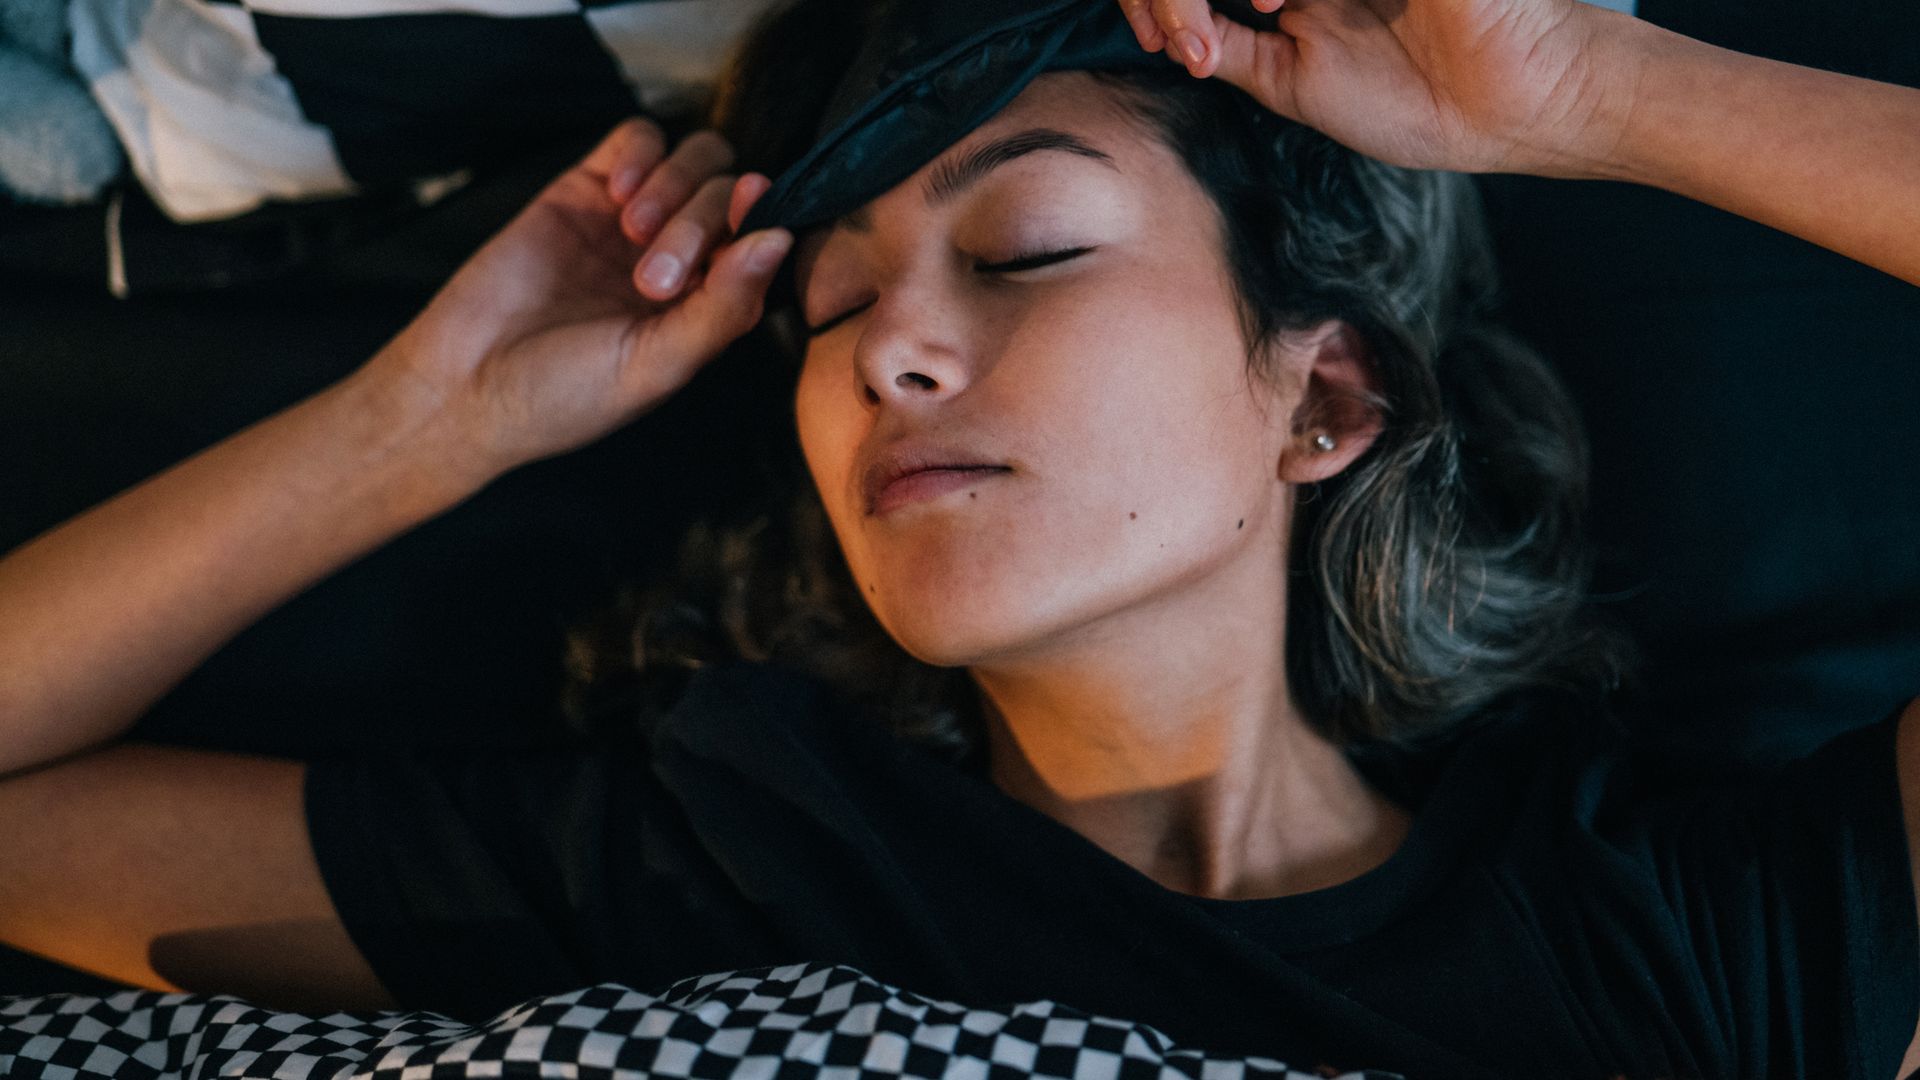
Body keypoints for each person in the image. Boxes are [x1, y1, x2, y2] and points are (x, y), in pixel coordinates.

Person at [0, 0, 1915, 1074]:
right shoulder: (730, 866)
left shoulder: (1688, 934)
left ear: (1325, 400)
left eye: (1026, 249)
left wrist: (1594, 93)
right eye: (828, 305)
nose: (886, 353)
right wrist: (428, 424)